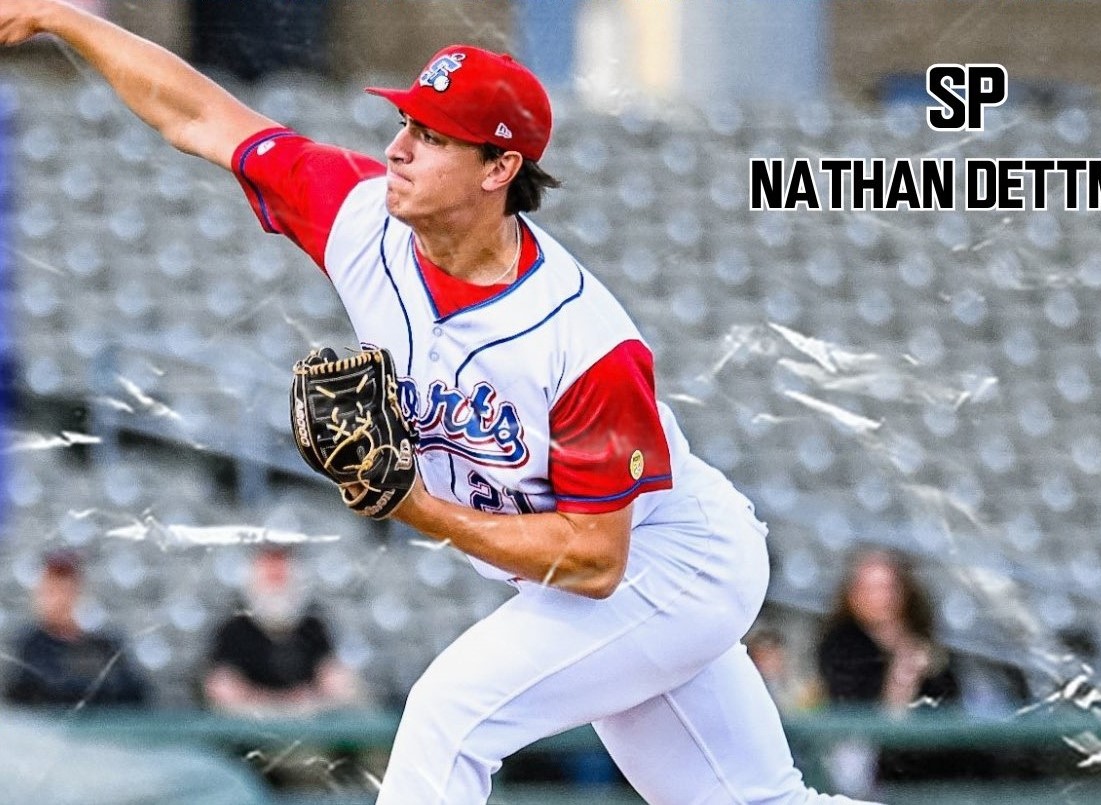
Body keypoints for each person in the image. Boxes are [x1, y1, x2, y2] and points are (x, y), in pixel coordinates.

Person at [0, 4, 882, 802]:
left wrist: (415, 504)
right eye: (403, 123)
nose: (397, 148)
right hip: (604, 566)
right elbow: (202, 115)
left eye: (431, 136)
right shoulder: (361, 223)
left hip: (669, 564)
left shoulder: (583, 343)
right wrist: (65, 19)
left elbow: (592, 562)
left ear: (500, 164)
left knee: (449, 716)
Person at [814, 548, 961, 796]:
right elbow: (860, 713)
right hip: (873, 761)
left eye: (887, 588)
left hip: (933, 757)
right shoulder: (841, 644)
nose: (880, 598)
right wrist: (903, 676)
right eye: (869, 588)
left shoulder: (923, 638)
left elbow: (951, 700)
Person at [202, 545, 365, 716]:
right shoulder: (233, 631)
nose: (276, 589)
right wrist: (275, 704)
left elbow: (338, 684)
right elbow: (221, 690)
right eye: (269, 580)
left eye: (282, 579)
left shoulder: (313, 628)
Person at [4, 549, 150, 707]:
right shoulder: (31, 645)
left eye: (64, 590)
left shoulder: (104, 644)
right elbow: (34, 690)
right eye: (51, 592)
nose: (59, 600)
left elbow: (132, 692)